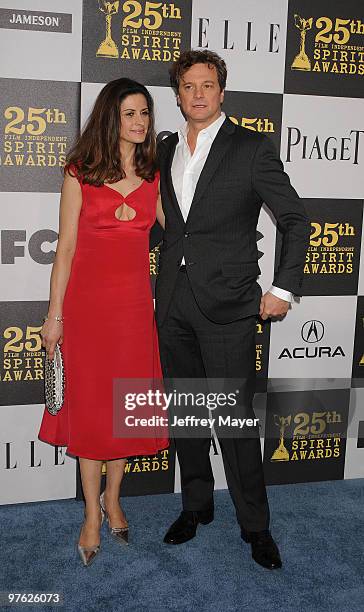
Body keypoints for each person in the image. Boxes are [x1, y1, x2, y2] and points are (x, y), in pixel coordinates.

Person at [155, 50, 310, 570]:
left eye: (207, 85)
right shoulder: (166, 149)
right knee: (187, 415)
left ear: (222, 92)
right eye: (187, 85)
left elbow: (294, 218)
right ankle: (196, 506)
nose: (197, 93)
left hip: (230, 306)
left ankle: (256, 526)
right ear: (177, 94)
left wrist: (283, 290)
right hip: (173, 302)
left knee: (237, 422)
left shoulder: (250, 147)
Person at [38, 78, 168, 567]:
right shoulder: (81, 172)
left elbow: (180, 233)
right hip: (87, 313)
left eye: (145, 114)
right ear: (111, 116)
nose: (139, 122)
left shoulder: (156, 175)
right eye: (130, 113)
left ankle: (115, 498)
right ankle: (91, 512)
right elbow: (65, 250)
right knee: (94, 414)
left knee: (124, 411)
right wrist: (55, 318)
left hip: (135, 314)